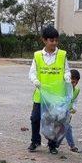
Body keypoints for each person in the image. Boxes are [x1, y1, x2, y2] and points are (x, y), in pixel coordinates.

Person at [28, 25, 71, 155]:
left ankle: (52, 144)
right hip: (41, 94)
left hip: (56, 96)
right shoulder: (37, 56)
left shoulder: (62, 55)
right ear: (44, 40)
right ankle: (35, 141)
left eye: (56, 40)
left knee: (55, 120)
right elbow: (32, 73)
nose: (54, 43)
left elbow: (67, 70)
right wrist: (35, 81)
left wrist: (67, 77)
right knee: (35, 118)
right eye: (51, 40)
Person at [65, 69, 81, 152]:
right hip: (57, 111)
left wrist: (74, 108)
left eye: (75, 82)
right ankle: (53, 144)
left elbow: (75, 101)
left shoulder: (76, 90)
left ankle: (72, 145)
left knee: (67, 127)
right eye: (72, 82)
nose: (73, 84)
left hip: (67, 112)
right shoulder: (63, 88)